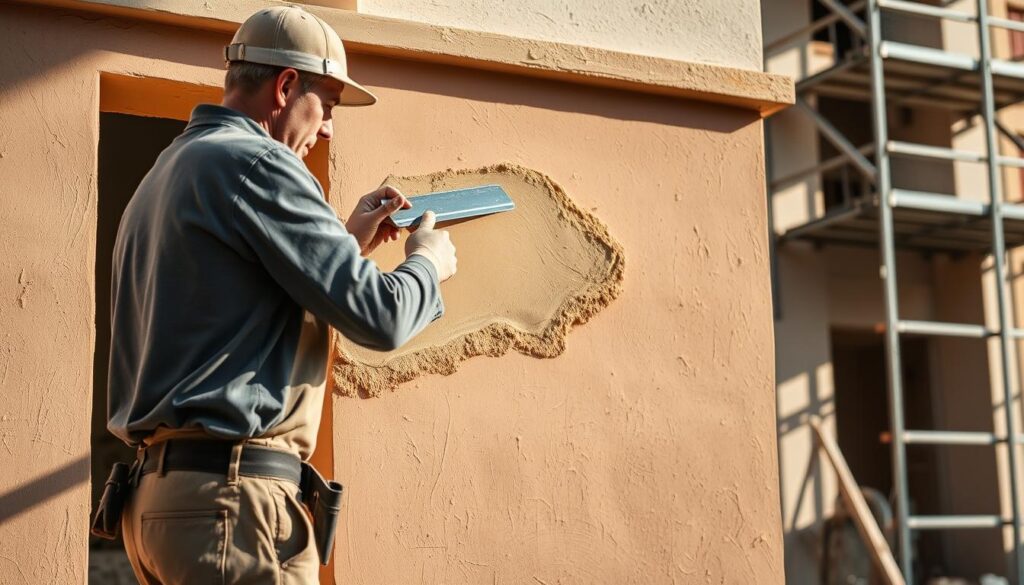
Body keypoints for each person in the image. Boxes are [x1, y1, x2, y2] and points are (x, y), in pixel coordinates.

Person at [102, 5, 456, 583]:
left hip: (162, 507)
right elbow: (383, 317)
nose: (328, 129)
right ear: (287, 85)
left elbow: (230, 311)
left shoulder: (169, 171)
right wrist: (427, 264)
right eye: (328, 107)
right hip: (232, 506)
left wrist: (345, 244)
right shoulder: (261, 163)